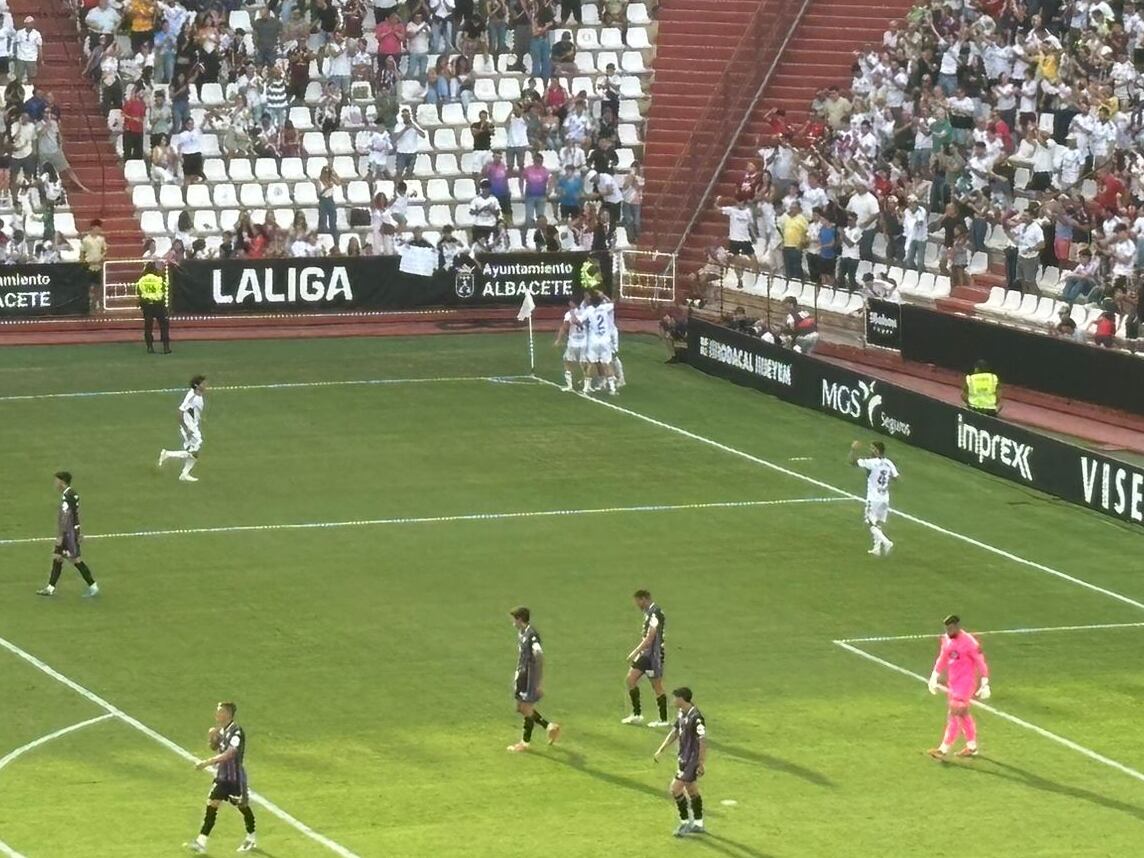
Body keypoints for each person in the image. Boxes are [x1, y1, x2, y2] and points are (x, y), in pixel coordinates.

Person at [186, 702, 258, 853]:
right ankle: (201, 842)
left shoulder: (236, 732)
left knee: (242, 806)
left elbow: (230, 753)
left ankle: (251, 837)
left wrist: (207, 762)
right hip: (222, 777)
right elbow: (214, 747)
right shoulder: (222, 730)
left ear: (227, 714)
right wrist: (212, 737)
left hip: (234, 779)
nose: (216, 714)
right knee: (211, 805)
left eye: (220, 712)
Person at [927, 615, 991, 760]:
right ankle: (972, 747)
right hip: (953, 683)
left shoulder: (969, 642)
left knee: (954, 713)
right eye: (946, 629)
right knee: (963, 715)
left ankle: (943, 749)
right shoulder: (946, 639)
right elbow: (943, 657)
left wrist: (985, 682)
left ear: (957, 627)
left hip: (965, 684)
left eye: (950, 628)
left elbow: (980, 662)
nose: (948, 631)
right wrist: (934, 675)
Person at [653, 686, 707, 837]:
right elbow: (675, 732)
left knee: (675, 789)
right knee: (691, 789)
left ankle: (685, 822)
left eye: (675, 698)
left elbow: (703, 741)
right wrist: (662, 749)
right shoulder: (682, 713)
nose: (673, 700)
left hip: (691, 760)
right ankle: (698, 823)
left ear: (682, 699)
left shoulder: (696, 717)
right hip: (683, 758)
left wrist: (701, 762)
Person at [35, 471, 99, 598]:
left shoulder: (66, 497)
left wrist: (61, 536)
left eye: (57, 481)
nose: (55, 483)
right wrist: (79, 531)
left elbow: (66, 517)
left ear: (62, 482)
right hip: (72, 532)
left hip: (68, 534)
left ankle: (93, 586)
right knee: (57, 557)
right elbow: (76, 514)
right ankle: (50, 588)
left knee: (76, 560)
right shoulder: (73, 494)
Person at [507, 606, 561, 752]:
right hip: (522, 676)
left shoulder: (531, 635)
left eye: (514, 619)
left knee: (526, 708)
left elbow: (539, 654)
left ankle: (524, 743)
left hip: (530, 678)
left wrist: (539, 681)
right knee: (520, 707)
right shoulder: (522, 633)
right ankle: (550, 727)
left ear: (520, 619)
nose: (513, 622)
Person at [622, 590, 670, 727]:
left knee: (657, 686)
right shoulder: (649, 613)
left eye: (638, 601)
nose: (637, 604)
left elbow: (650, 639)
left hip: (653, 656)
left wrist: (634, 652)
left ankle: (663, 720)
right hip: (645, 655)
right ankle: (637, 714)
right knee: (631, 679)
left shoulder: (655, 613)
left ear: (644, 599)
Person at [848, 440, 899, 557]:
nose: (870, 450)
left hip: (873, 498)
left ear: (877, 451)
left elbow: (852, 461)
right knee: (878, 523)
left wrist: (853, 449)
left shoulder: (871, 462)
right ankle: (876, 549)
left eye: (872, 448)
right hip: (884, 498)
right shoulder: (889, 463)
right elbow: (896, 477)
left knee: (871, 523)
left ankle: (887, 542)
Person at [158, 375, 207, 482]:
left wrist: (199, 418)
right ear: (196, 385)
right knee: (194, 451)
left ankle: (184, 474)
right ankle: (167, 454)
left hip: (193, 426)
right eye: (203, 384)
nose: (205, 385)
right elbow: (179, 412)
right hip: (189, 428)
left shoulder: (198, 395)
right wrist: (186, 429)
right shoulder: (191, 397)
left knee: (194, 452)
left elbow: (193, 410)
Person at [136, 261, 170, 354]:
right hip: (158, 304)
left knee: (148, 326)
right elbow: (164, 290)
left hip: (147, 304)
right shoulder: (159, 279)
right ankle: (166, 347)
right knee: (163, 326)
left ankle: (150, 347)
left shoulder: (141, 280)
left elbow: (139, 292)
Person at [554, 297, 587, 391]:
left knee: (567, 362)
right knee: (584, 364)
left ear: (572, 303)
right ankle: (587, 386)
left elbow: (564, 327)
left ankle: (569, 385)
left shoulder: (569, 314)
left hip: (573, 343)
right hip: (584, 342)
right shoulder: (586, 312)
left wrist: (558, 340)